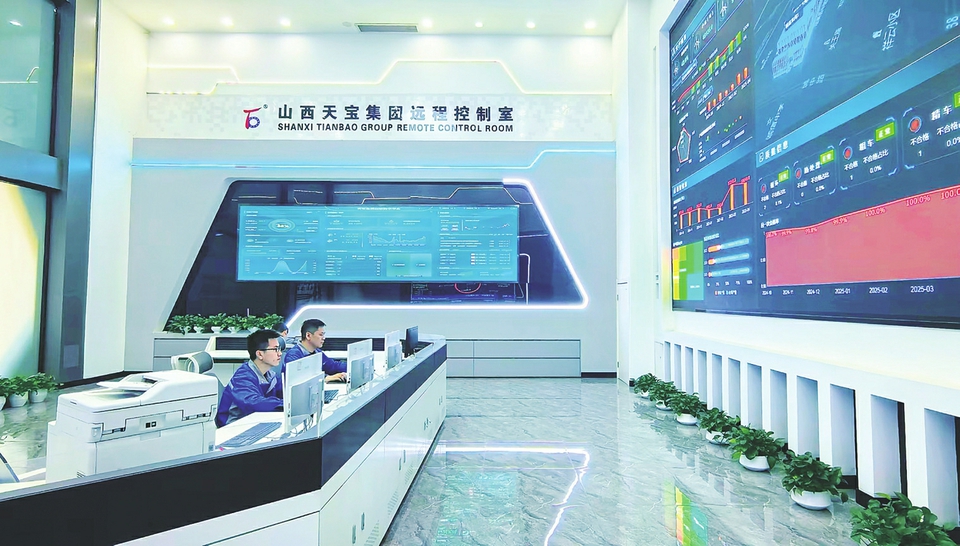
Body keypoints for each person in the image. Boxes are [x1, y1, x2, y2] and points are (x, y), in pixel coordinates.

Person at [215, 329, 284, 427]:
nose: (280, 353)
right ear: (260, 354)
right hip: (234, 426)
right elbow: (254, 403)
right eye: (275, 349)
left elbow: (284, 392)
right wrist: (287, 404)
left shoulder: (270, 375)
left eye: (279, 349)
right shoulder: (242, 377)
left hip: (255, 420)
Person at [282, 318, 347, 382]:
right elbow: (299, 378)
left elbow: (333, 366)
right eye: (321, 335)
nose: (323, 338)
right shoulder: (293, 355)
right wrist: (325, 378)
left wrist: (350, 366)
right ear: (308, 336)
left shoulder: (317, 352)